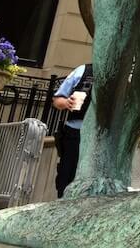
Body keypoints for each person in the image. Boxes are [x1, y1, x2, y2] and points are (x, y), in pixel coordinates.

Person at [51, 63, 93, 197]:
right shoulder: (83, 70)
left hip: (101, 136)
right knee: (67, 177)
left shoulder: (120, 73)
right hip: (74, 134)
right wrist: (66, 103)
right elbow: (57, 100)